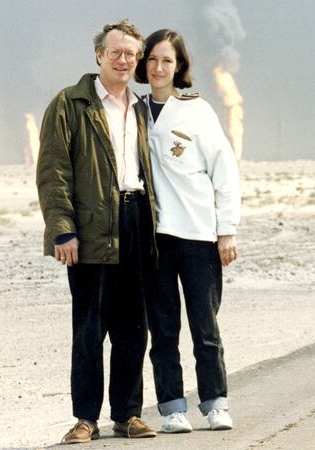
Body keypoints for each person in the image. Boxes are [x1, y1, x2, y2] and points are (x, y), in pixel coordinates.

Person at [36, 20, 158, 444]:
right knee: (89, 329)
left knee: (133, 328)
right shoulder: (70, 104)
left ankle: (128, 416)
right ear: (99, 56)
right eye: (115, 52)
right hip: (90, 230)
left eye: (131, 54)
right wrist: (62, 231)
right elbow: (53, 172)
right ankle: (85, 419)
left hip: (138, 223)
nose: (123, 60)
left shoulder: (142, 108)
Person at [134, 29, 241, 433]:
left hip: (198, 234)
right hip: (154, 239)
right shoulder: (135, 109)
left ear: (179, 66)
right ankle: (173, 407)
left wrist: (226, 230)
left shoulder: (197, 111)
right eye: (152, 60)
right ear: (144, 65)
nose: (158, 68)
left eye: (167, 60)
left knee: (204, 326)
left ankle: (215, 403)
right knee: (162, 329)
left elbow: (224, 170)